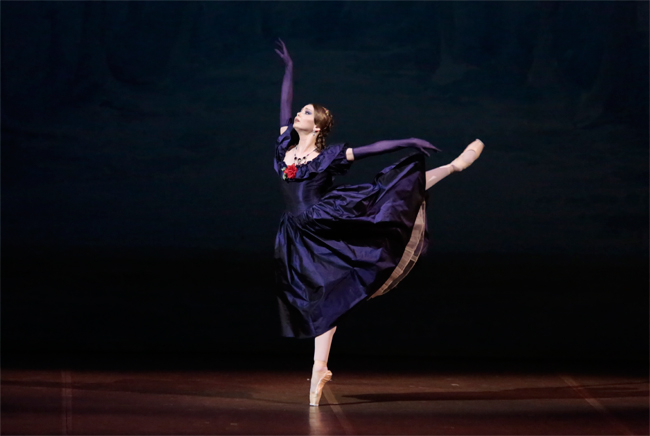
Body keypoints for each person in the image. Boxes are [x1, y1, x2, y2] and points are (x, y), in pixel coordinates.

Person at [273, 39, 483, 406]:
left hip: (328, 220)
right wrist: (289, 69)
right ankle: (320, 368)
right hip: (296, 231)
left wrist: (408, 140)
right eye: (301, 112)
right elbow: (284, 104)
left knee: (395, 192)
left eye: (307, 113)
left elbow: (374, 148)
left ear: (319, 126)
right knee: (322, 297)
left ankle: (452, 167)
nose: (298, 115)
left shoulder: (331, 155)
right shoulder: (284, 145)